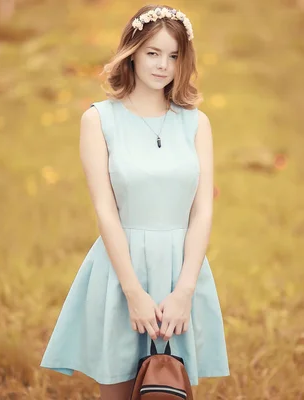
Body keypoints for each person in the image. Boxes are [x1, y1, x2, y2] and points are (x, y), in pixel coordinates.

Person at [40, 4, 230, 399]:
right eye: (153, 53)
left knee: (167, 389)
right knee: (118, 390)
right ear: (133, 51)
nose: (163, 65)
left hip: (181, 270)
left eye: (174, 56)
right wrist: (133, 293)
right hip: (120, 272)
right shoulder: (99, 120)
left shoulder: (196, 123)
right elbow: (106, 212)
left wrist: (184, 291)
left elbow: (203, 211)